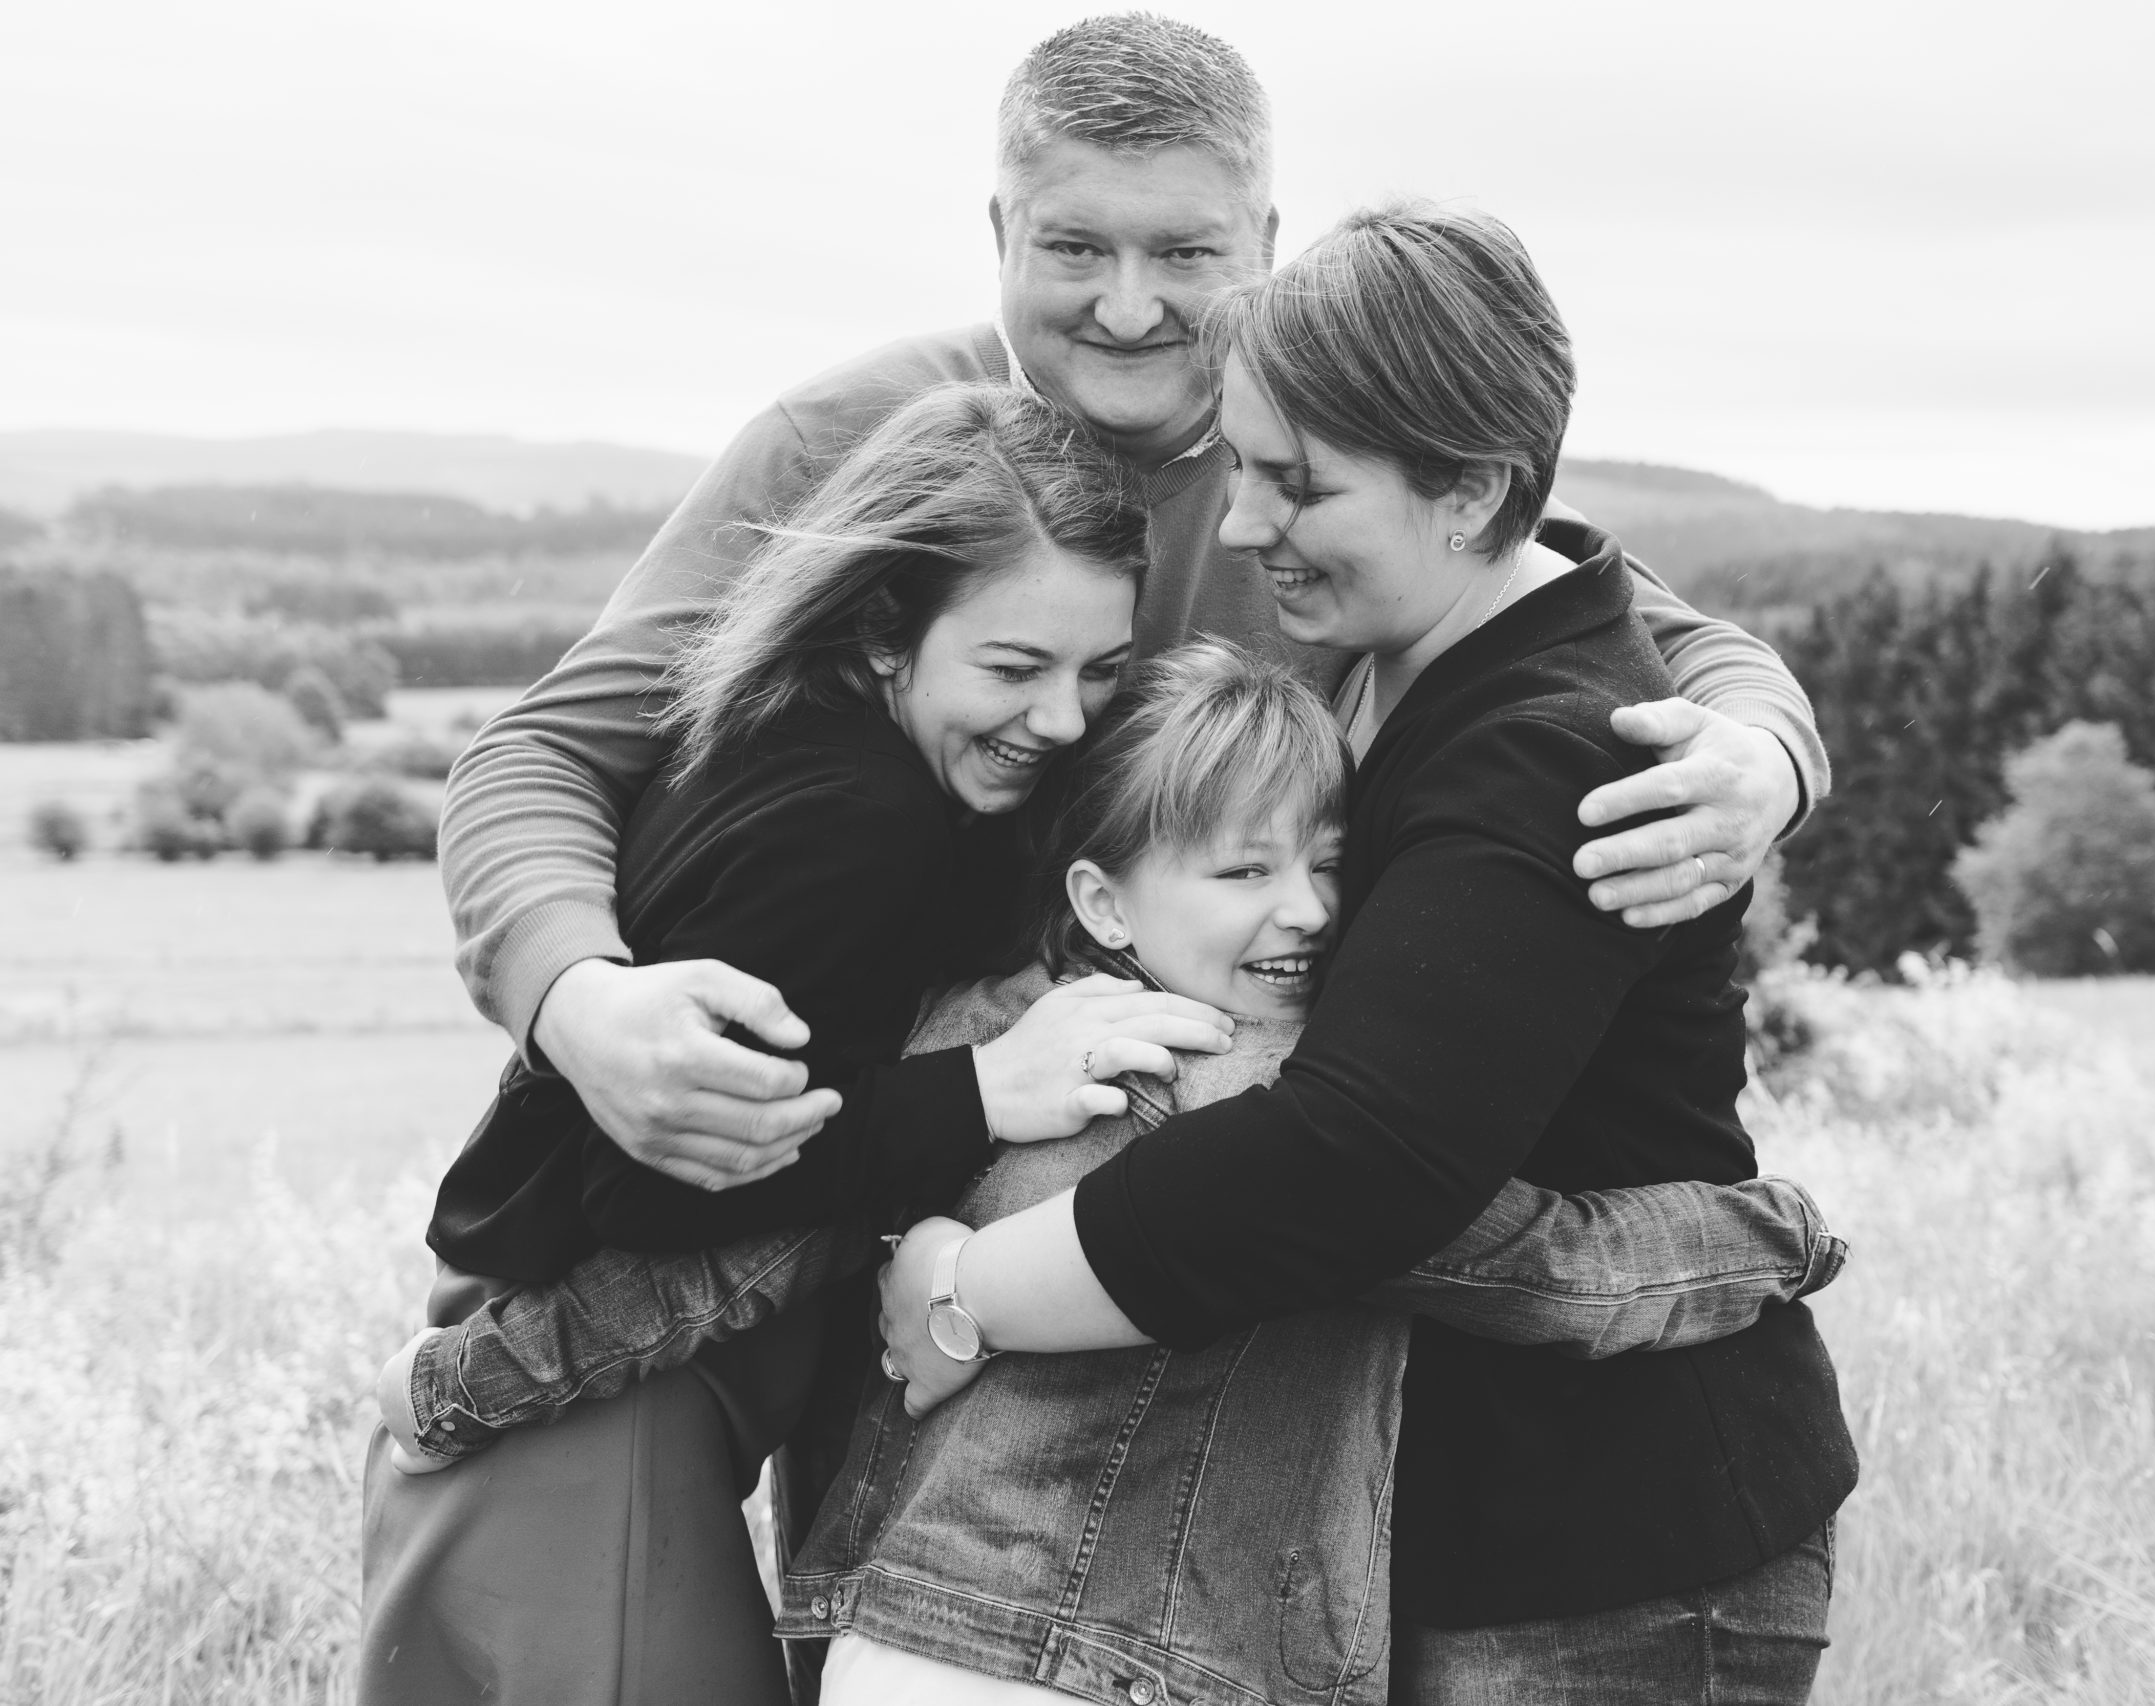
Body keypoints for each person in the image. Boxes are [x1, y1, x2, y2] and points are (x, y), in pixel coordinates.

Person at [436, 15, 1830, 1214]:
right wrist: (579, 1001)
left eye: (1185, 253)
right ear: (999, 232)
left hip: (1230, 1147)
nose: (1128, 307)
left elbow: (1626, 624)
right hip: (872, 1131)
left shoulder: (1323, 448)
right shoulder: (853, 442)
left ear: (1267, 243)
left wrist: (1764, 756)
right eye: (1075, 247)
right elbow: (545, 752)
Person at [375, 640, 1847, 1706]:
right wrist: (1769, 1235)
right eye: (1244, 868)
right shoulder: (1271, 1106)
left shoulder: (972, 1050)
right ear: (1102, 893)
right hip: (1121, 1663)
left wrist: (474, 1380)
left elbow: (756, 1248)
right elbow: (1538, 1266)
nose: (1314, 909)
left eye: (1334, 862)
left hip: (899, 1644)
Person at [874, 205, 1858, 1705]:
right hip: (1480, 1530)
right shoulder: (1401, 656)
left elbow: (1353, 1160)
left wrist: (967, 1288)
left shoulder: (1550, 752)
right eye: (1243, 468)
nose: (1248, 523)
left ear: (1469, 490)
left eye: (1298, 485)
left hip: (1613, 1553)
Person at [359, 382, 1238, 1706]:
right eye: (1013, 667)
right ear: (889, 631)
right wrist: (984, 1092)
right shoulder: (853, 818)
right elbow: (653, 1183)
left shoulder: (799, 735)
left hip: (605, 1417)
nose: (1061, 718)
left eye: (1098, 674)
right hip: (589, 1428)